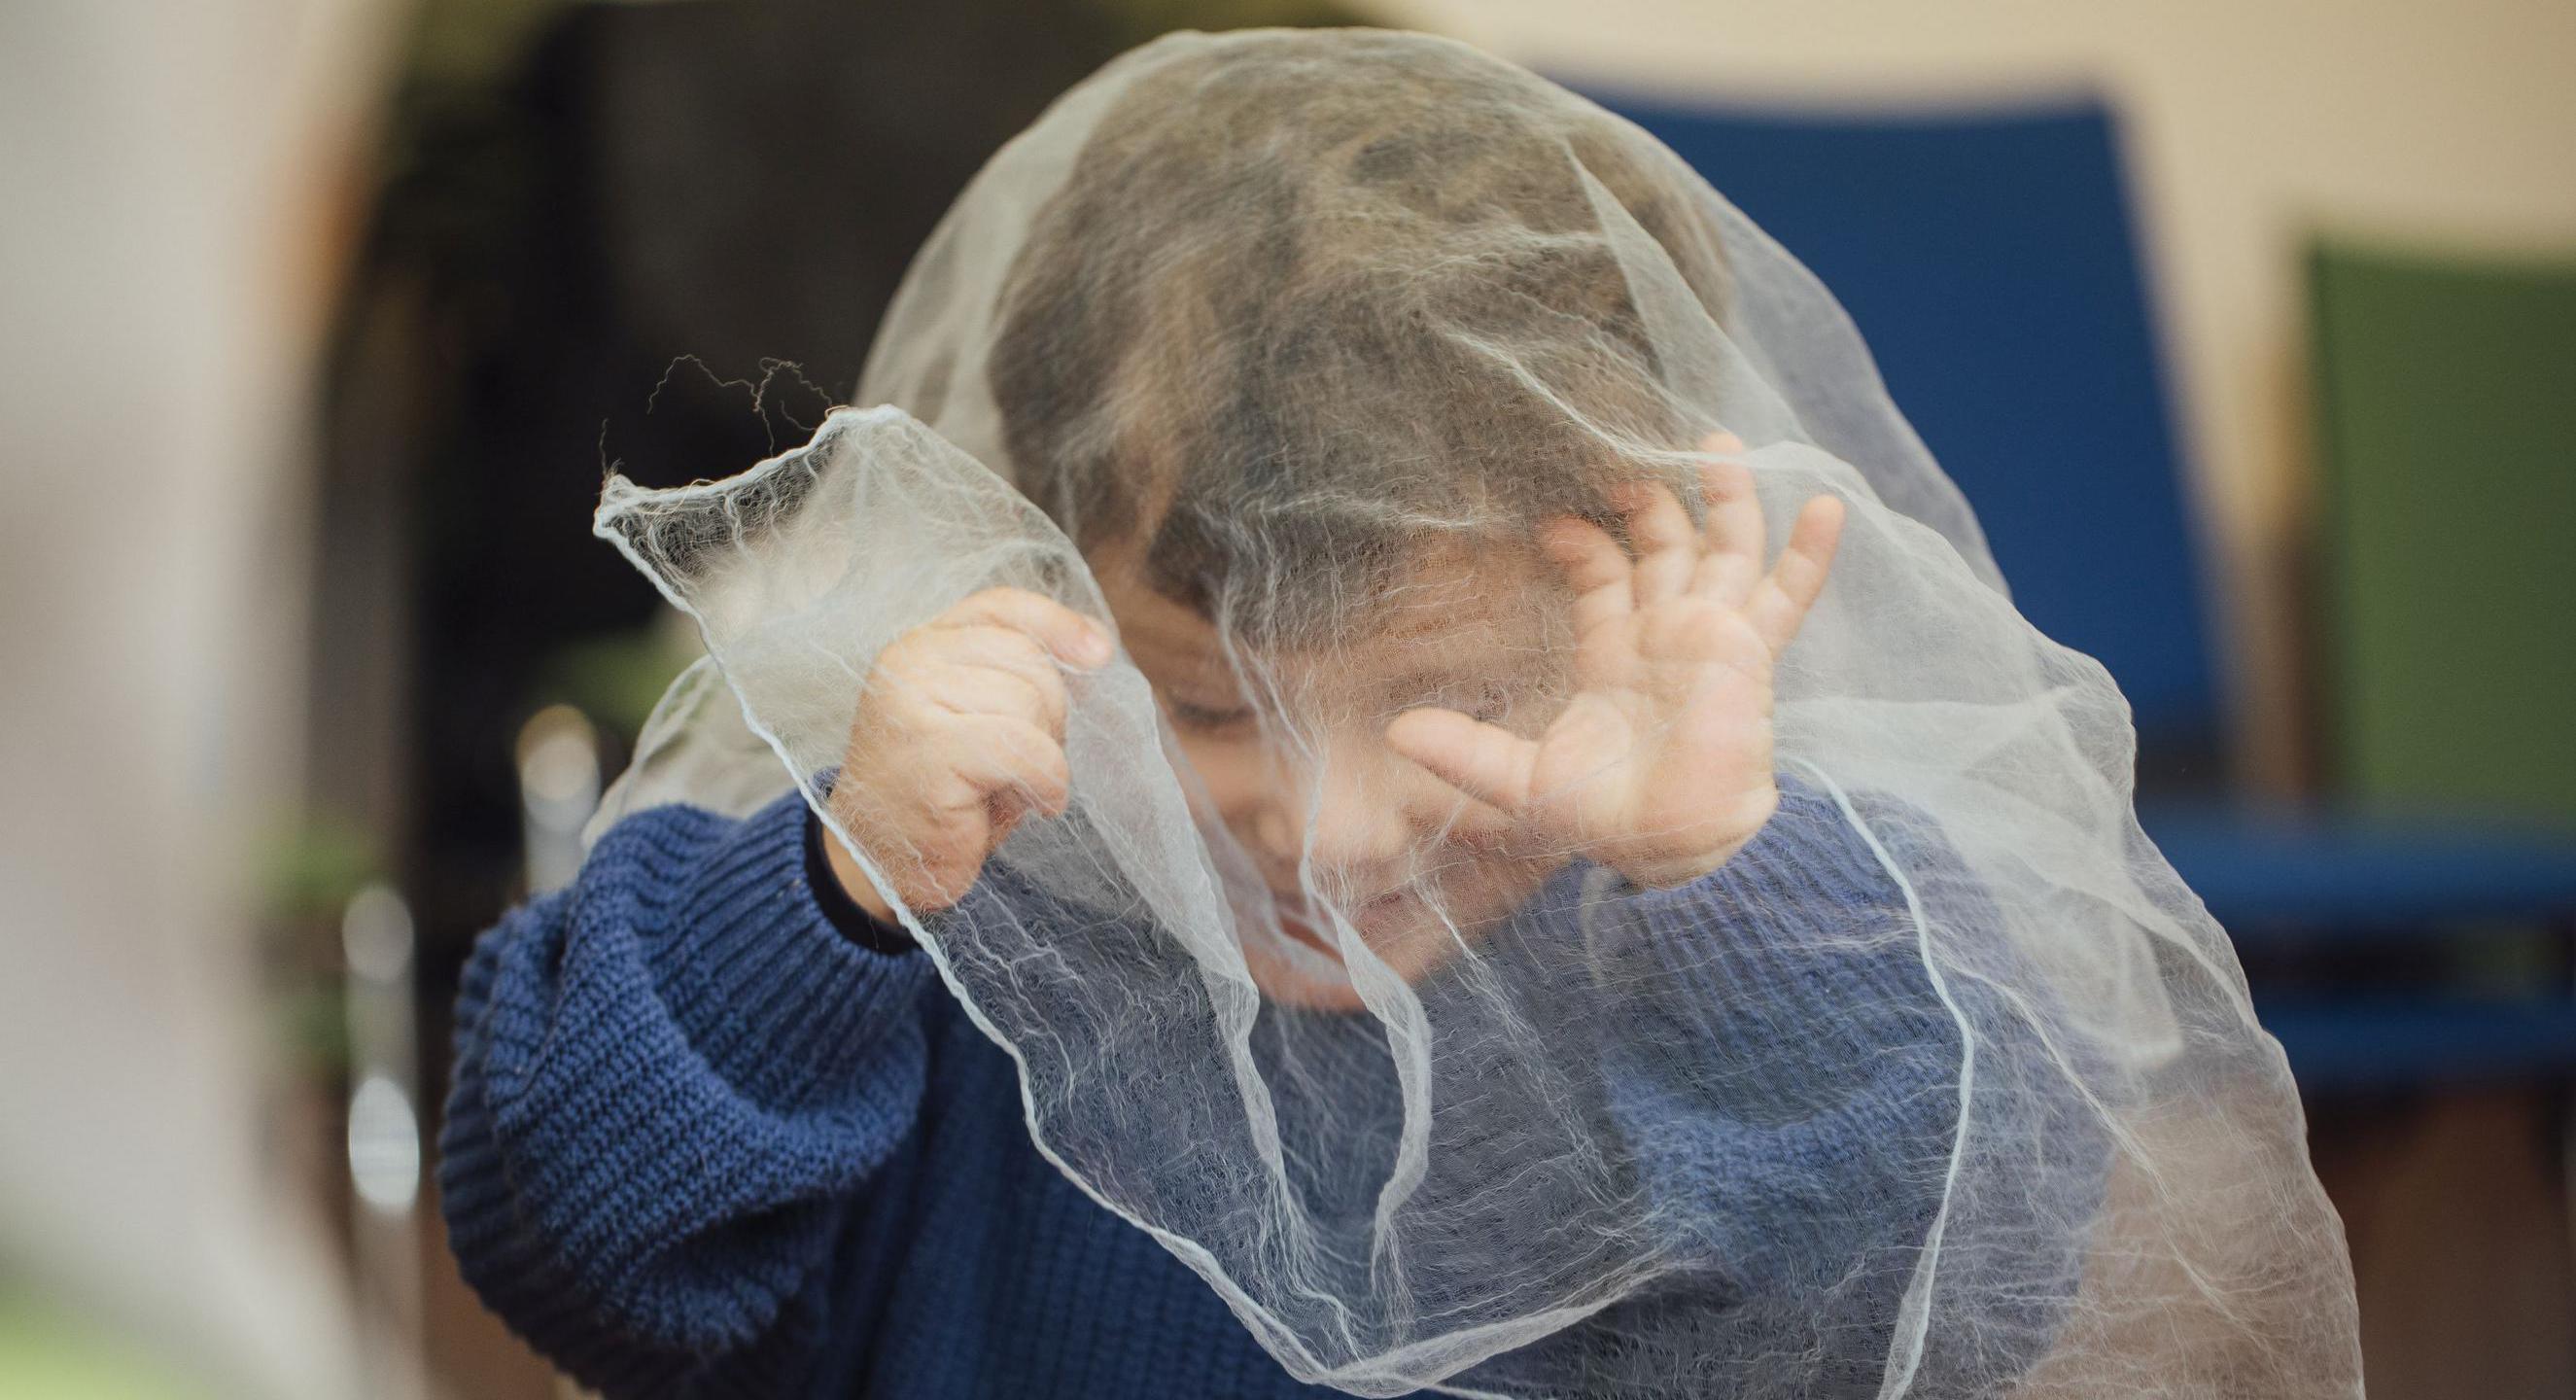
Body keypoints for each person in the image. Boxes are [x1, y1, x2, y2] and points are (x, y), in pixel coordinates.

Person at [441, 28, 2350, 1400]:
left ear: (1627, 566)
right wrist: (835, 891)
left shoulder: (1714, 915)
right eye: (1208, 711)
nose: (1330, 840)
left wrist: (1721, 886)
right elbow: (575, 1247)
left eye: (1451, 710)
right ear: (1033, 572)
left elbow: (1933, 1309)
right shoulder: (943, 876)